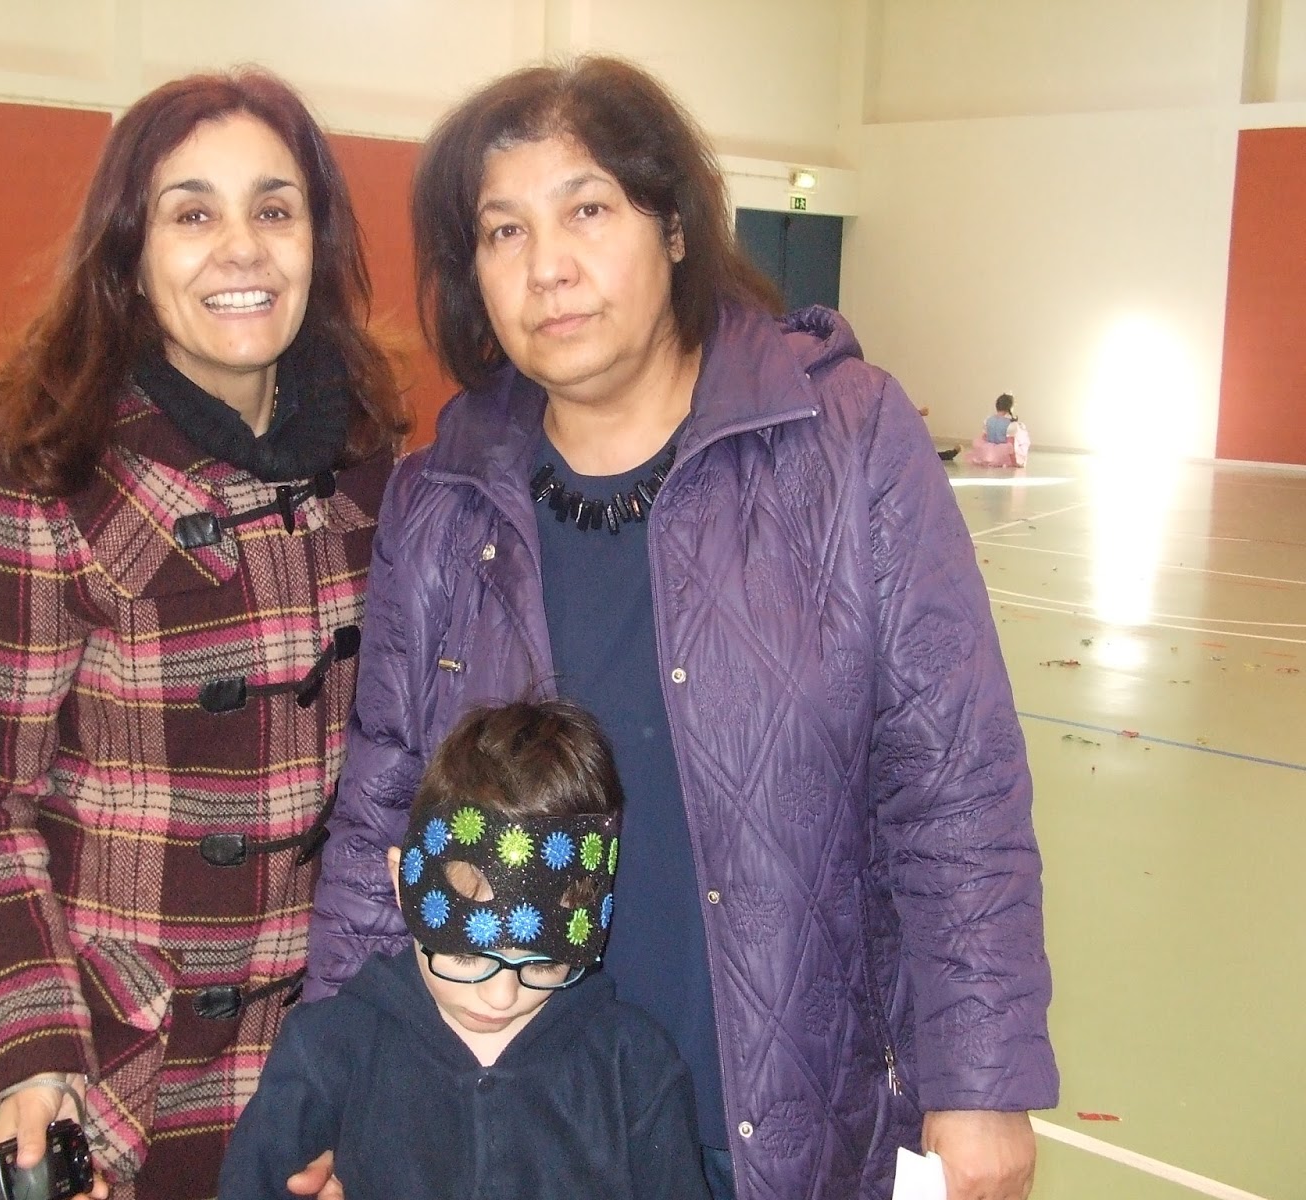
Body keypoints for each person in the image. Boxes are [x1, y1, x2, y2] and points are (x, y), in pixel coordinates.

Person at [305, 56, 1058, 1200]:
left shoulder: (846, 442)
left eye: (587, 211)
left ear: (671, 228)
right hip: (520, 1130)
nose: (547, 267)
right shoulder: (441, 497)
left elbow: (951, 778)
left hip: (780, 1117)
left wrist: (981, 1078)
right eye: (503, 232)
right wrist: (339, 1070)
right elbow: (382, 810)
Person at [0, 68, 406, 1200]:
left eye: (274, 209)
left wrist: (389, 1054)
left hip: (326, 1076)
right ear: (131, 254)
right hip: (126, 1079)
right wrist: (34, 1051)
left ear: (317, 242)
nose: (242, 248)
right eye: (192, 214)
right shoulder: (39, 483)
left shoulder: (375, 468)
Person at [218, 700, 711, 1199]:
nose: (501, 996)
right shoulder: (328, 1049)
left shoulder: (634, 1066)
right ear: (402, 882)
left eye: (542, 962)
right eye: (468, 956)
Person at [966, 393, 1027, 467]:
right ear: (1010, 408)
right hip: (1002, 455)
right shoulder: (1011, 424)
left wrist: (981, 453)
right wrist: (1015, 463)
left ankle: (988, 459)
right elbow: (1011, 447)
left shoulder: (988, 420)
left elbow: (984, 438)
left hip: (987, 453)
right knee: (1022, 439)